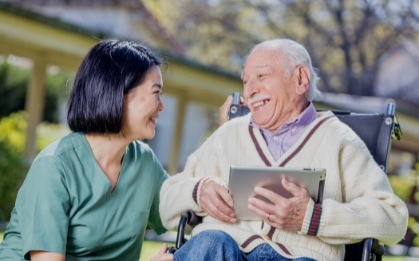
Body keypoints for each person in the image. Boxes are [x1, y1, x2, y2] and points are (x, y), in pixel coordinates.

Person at [158, 38, 409, 261]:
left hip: (301, 256)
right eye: (245, 81)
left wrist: (313, 218)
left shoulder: (340, 141)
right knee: (212, 241)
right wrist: (197, 191)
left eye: (261, 76)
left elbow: (393, 219)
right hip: (223, 249)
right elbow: (166, 204)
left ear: (301, 79)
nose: (250, 89)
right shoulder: (229, 134)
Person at [0, 39, 170, 261]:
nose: (161, 105)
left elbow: (187, 209)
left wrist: (228, 132)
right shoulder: (54, 167)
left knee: (212, 243)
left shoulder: (144, 162)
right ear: (118, 93)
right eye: (156, 92)